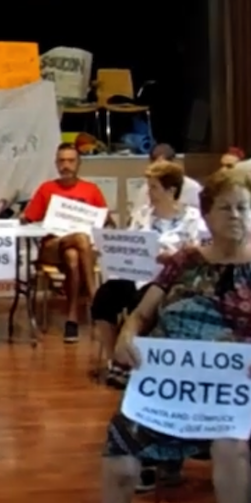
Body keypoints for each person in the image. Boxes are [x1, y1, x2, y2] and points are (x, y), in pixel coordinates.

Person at [100, 169, 251, 502]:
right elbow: (141, 314)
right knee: (121, 461)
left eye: (244, 207)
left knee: (231, 449)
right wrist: (127, 336)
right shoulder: (184, 262)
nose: (236, 215)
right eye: (226, 208)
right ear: (207, 215)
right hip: (171, 388)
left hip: (235, 392)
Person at [90, 161, 207, 389]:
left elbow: (197, 256)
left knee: (141, 301)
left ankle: (132, 362)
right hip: (138, 272)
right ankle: (116, 358)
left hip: (169, 279)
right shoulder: (142, 214)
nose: (149, 193)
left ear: (171, 190)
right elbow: (130, 243)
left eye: (154, 187)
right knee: (105, 297)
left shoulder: (193, 219)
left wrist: (172, 257)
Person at [22, 143, 109, 342]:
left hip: (79, 251)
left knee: (73, 256)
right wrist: (23, 217)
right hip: (53, 245)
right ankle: (95, 299)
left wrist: (100, 220)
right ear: (56, 164)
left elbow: (106, 221)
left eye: (70, 161)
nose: (66, 165)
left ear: (79, 163)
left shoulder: (91, 189)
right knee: (80, 239)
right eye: (61, 161)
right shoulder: (46, 189)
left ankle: (72, 319)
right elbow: (29, 218)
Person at [130, 144, 201, 210]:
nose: (161, 171)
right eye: (157, 166)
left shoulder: (193, 188)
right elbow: (137, 214)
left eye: (165, 167)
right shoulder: (146, 189)